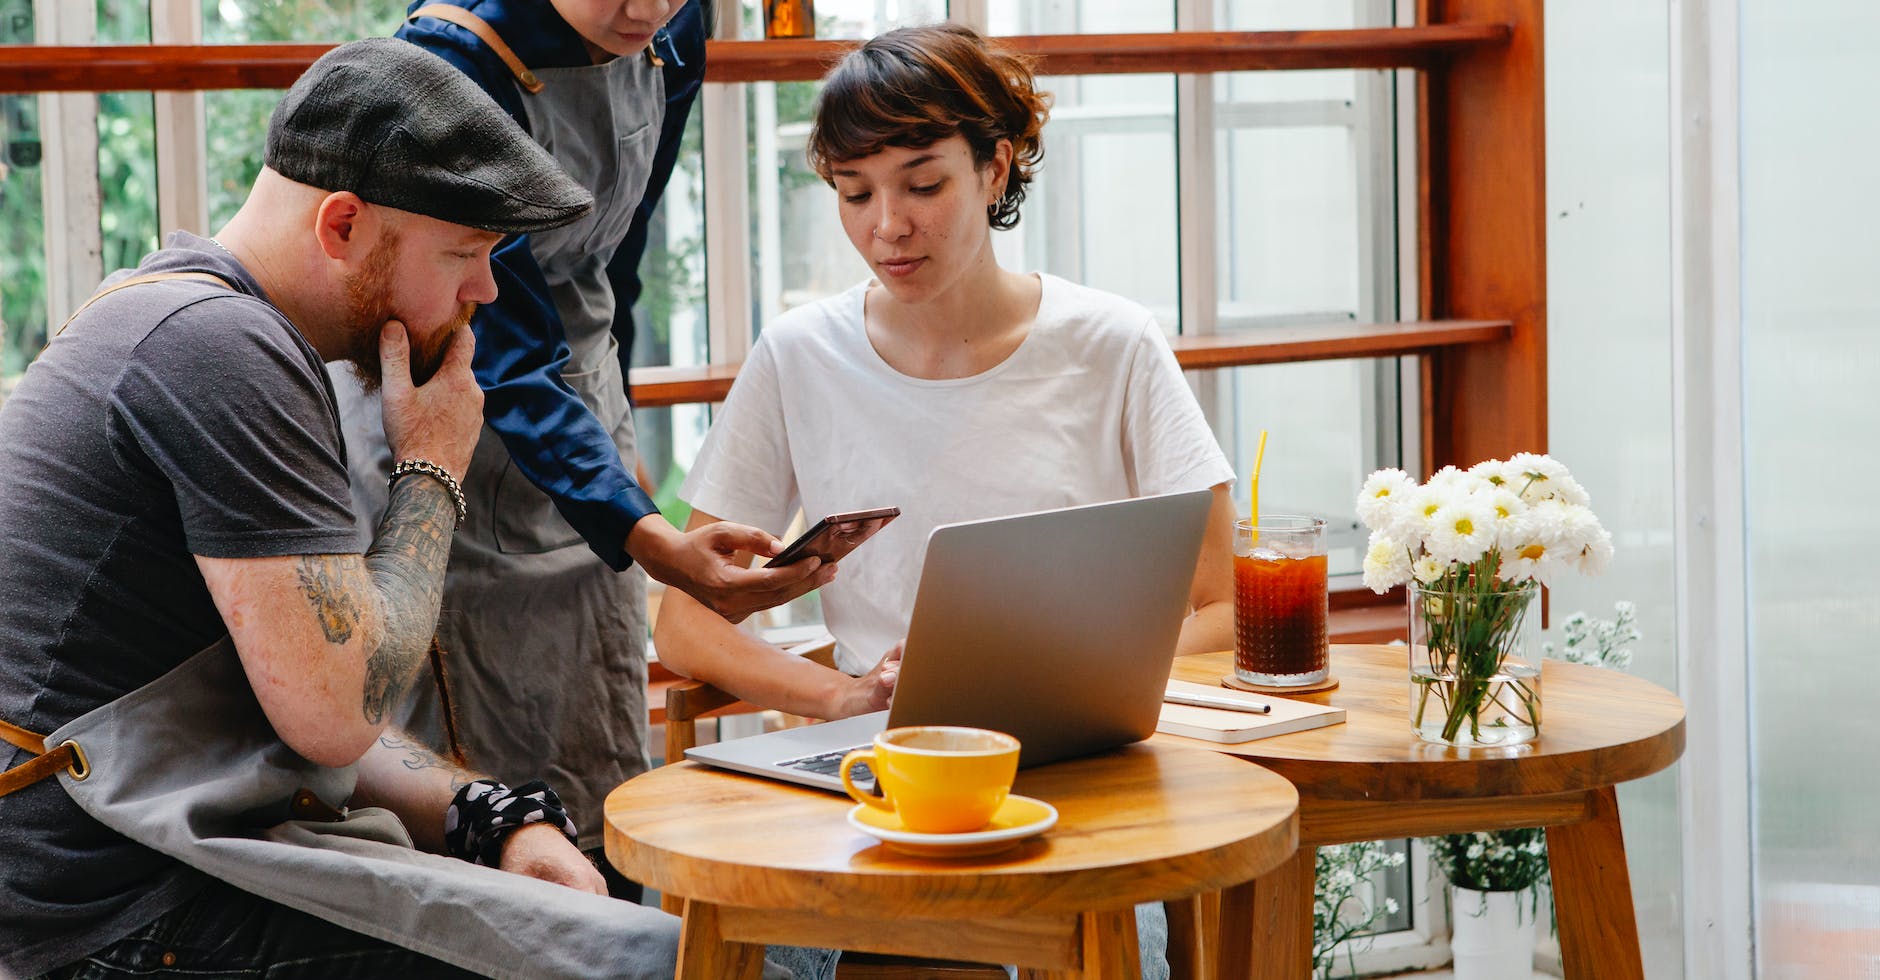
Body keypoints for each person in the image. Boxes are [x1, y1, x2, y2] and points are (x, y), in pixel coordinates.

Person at [0, 39, 749, 979]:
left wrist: (487, 815)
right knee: (661, 962)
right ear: (342, 224)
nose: (484, 292)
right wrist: (433, 467)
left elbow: (302, 683)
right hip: (112, 911)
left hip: (148, 858)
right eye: (466, 255)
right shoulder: (218, 349)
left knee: (653, 945)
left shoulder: (186, 316)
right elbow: (337, 712)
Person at [328, 0, 822, 898]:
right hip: (461, 392)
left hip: (583, 390)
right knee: (484, 743)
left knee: (594, 714)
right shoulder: (453, 60)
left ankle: (612, 922)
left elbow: (618, 258)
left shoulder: (675, 29)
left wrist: (616, 454)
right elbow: (505, 342)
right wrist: (652, 536)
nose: (645, 9)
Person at [655, 22, 1238, 720]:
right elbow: (686, 624)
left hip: (1082, 737)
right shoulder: (798, 353)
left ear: (994, 168)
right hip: (885, 753)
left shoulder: (1112, 343)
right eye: (855, 194)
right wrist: (843, 696)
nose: (889, 226)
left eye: (923, 185)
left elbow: (1227, 607)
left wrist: (1066, 687)